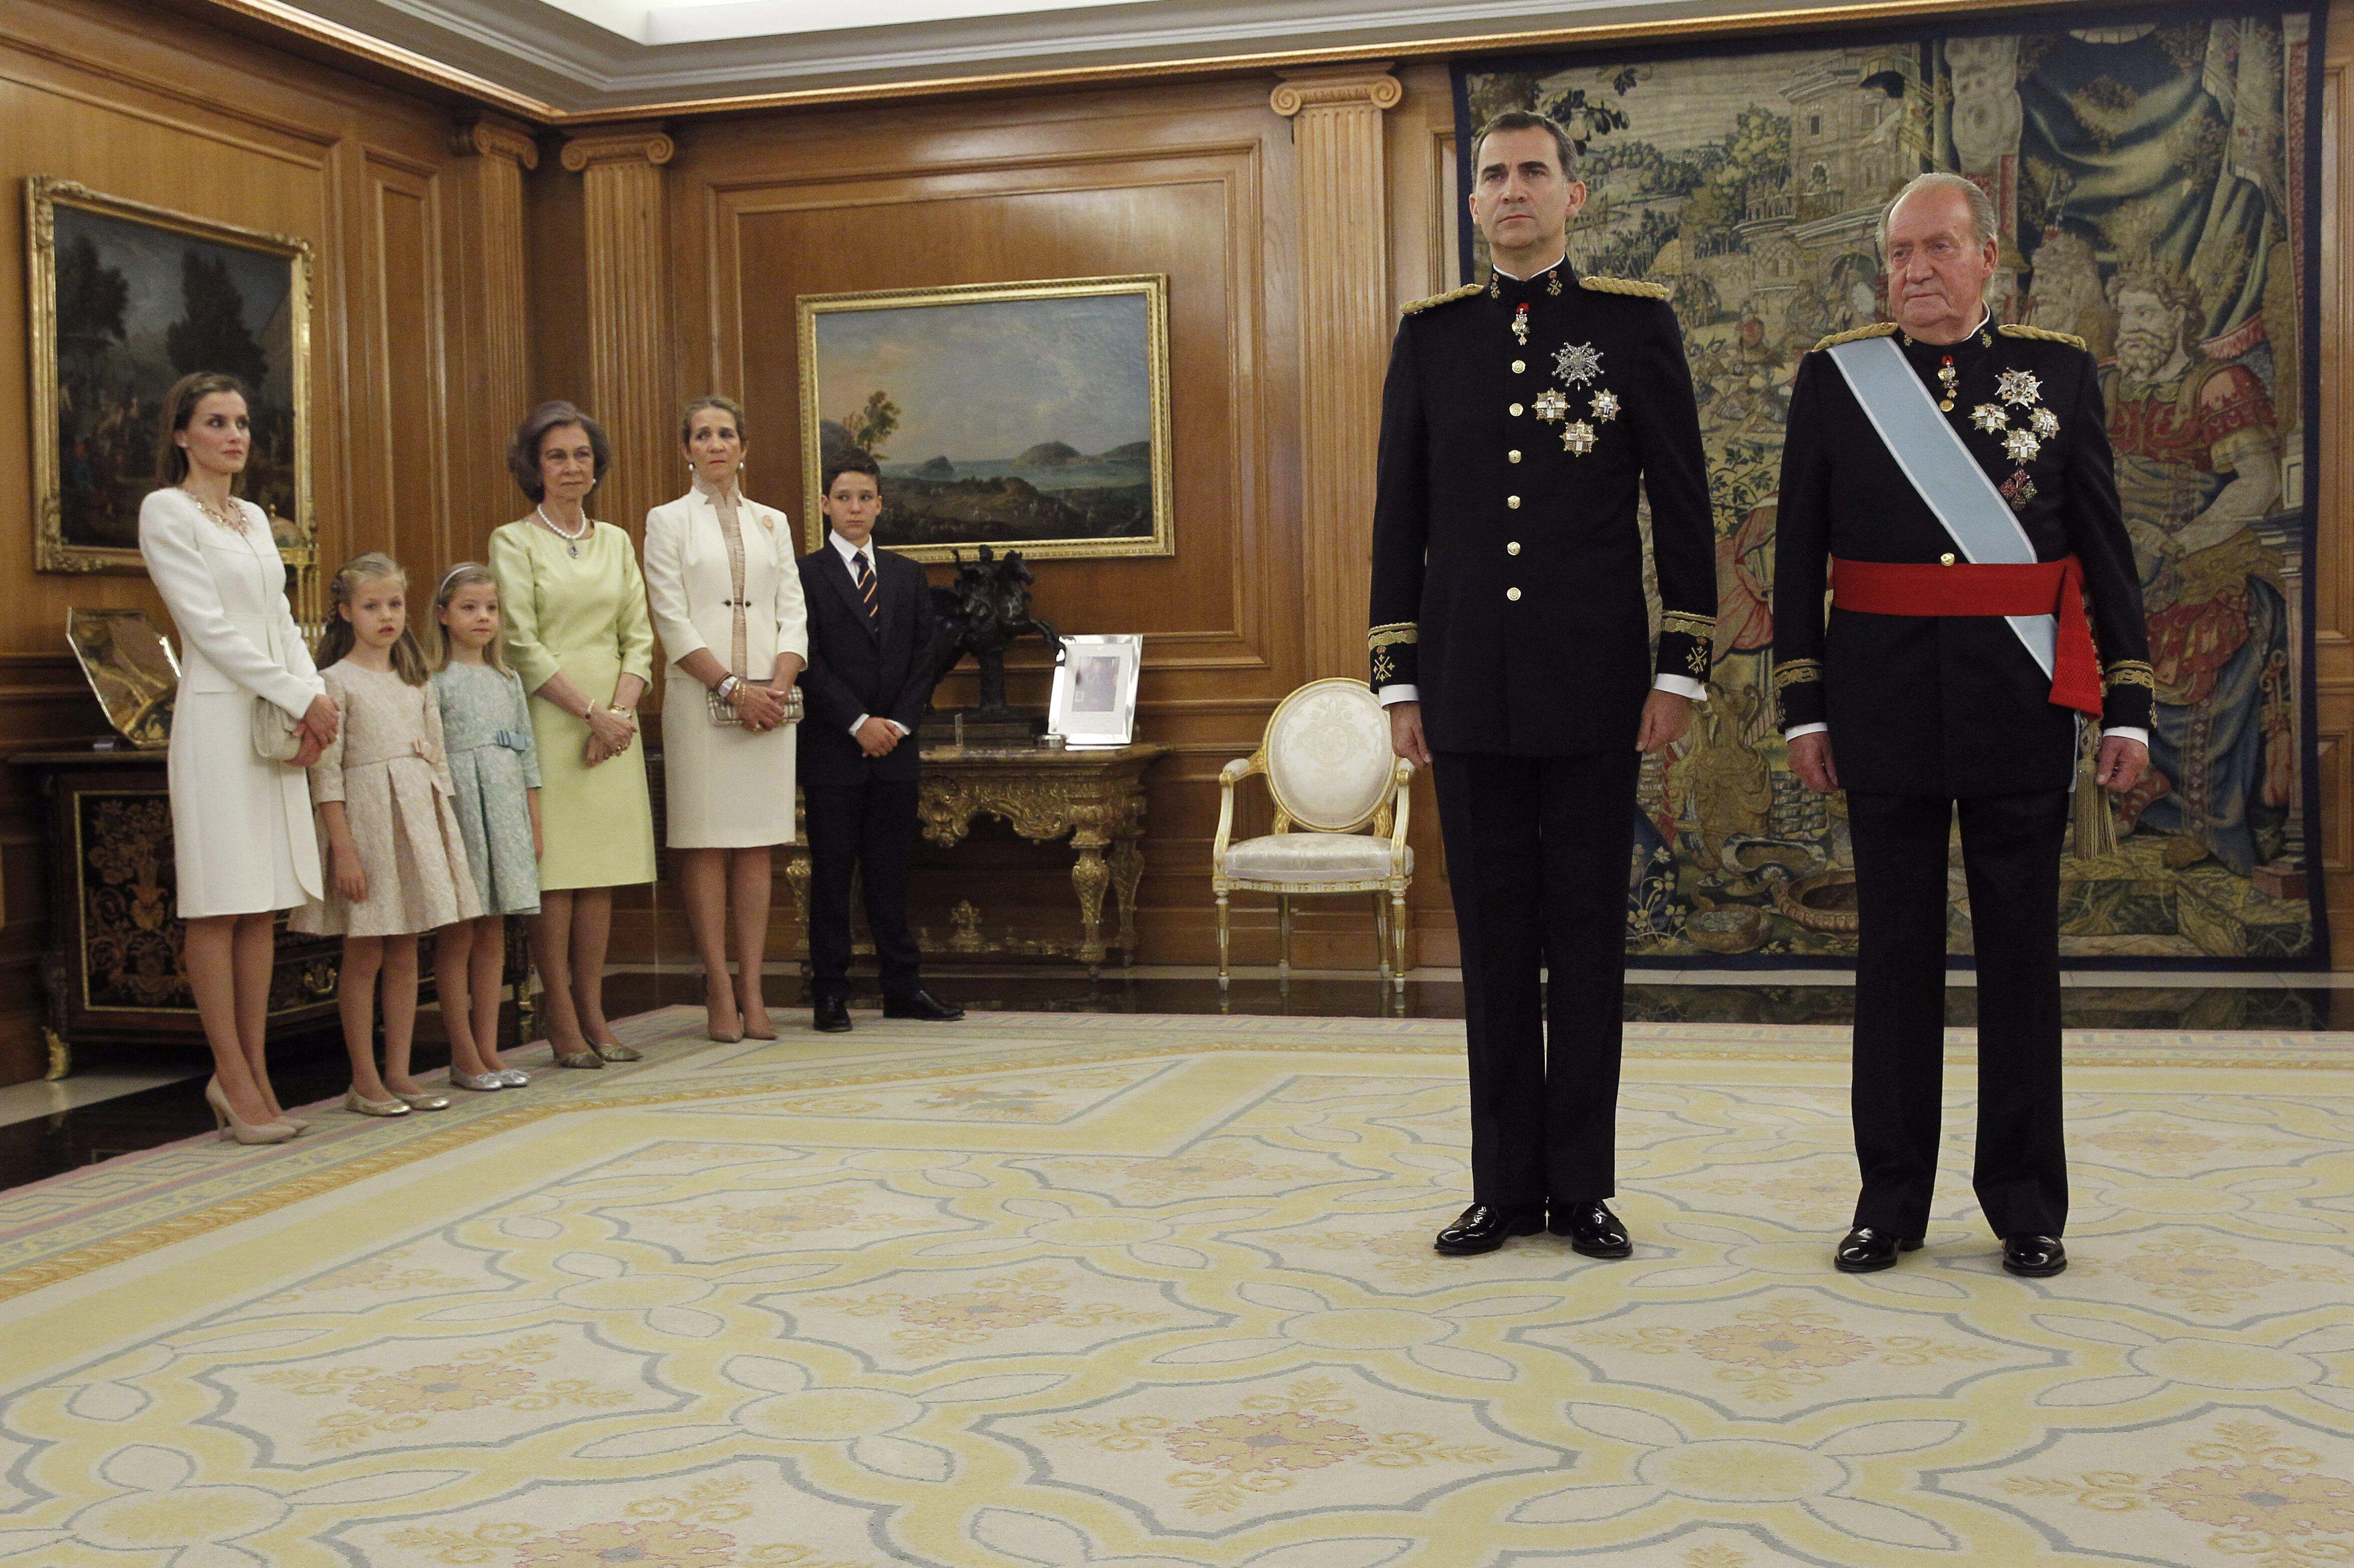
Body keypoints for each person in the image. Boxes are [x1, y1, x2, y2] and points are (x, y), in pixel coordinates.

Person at [1773, 171, 2154, 1280]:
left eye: (1938, 249)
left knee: (2020, 961)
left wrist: (2125, 700)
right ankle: (1888, 1202)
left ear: (1991, 258)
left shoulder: (2059, 373)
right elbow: (1800, 556)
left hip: (2014, 704)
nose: (1916, 272)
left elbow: (2105, 554)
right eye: (1898, 254)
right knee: (1892, 960)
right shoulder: (1839, 379)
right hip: (1880, 700)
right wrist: (1804, 701)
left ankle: (2027, 1205)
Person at [1370, 110, 1716, 1260]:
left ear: (1572, 197)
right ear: (1473, 206)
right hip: (1466, 687)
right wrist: (1396, 682)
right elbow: (1398, 523)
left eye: (1533, 174)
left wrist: (1680, 668)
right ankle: (1502, 1185)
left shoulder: (1631, 329)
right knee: (1493, 946)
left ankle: (1582, 1187)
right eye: (1493, 176)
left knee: (1585, 941)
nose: (1511, 191)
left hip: (1594, 687)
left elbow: (1682, 506)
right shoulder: (1428, 340)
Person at [139, 371, 340, 1146]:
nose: (235, 435)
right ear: (182, 433)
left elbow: (282, 617)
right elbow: (210, 631)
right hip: (220, 726)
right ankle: (228, 1070)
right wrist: (297, 698)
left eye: (243, 422)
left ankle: (250, 1075)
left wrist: (315, 695)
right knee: (218, 899)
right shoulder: (166, 510)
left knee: (260, 901)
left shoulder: (256, 516)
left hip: (275, 716)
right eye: (216, 422)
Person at [489, 402, 657, 1069]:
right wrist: (591, 713)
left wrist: (617, 715)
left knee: (601, 876)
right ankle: (559, 1016)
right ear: (534, 465)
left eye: (582, 454)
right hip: (551, 716)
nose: (570, 467)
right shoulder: (513, 541)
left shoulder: (615, 540)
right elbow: (521, 643)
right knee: (556, 876)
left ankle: (595, 1012)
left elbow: (640, 637)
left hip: (614, 721)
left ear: (597, 465)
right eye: (556, 455)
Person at [293, 554, 485, 1117]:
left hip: (417, 821)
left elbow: (437, 757)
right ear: (346, 612)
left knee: (406, 951)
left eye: (395, 604)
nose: (387, 616)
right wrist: (344, 848)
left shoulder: (415, 678)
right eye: (373, 606)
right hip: (368, 825)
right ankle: (363, 1077)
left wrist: (441, 836)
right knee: (365, 952)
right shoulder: (334, 682)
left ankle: (400, 1071)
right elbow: (325, 774)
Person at [643, 396, 808, 1043]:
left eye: (727, 434)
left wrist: (778, 685)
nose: (716, 445)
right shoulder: (666, 521)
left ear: (745, 448)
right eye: (703, 435)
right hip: (699, 698)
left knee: (758, 846)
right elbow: (670, 616)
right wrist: (735, 689)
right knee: (707, 842)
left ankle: (755, 991)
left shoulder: (773, 522)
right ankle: (717, 987)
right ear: (685, 449)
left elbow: (792, 608)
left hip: (771, 703)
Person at [795, 450, 962, 1033]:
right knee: (833, 875)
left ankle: (902, 987)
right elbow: (806, 660)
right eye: (843, 497)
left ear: (881, 505)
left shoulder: (906, 575)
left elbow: (925, 658)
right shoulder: (805, 574)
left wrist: (895, 724)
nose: (855, 507)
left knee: (893, 875)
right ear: (825, 505)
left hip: (896, 750)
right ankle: (831, 992)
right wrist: (857, 723)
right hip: (833, 751)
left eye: (865, 497)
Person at [428, 562, 543, 1092]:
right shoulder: (434, 680)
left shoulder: (508, 678)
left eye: (491, 608)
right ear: (444, 616)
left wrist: (533, 822)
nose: (483, 617)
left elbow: (527, 754)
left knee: (495, 931)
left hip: (505, 811)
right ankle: (463, 1052)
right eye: (470, 607)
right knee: (460, 934)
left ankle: (490, 1048)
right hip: (462, 812)